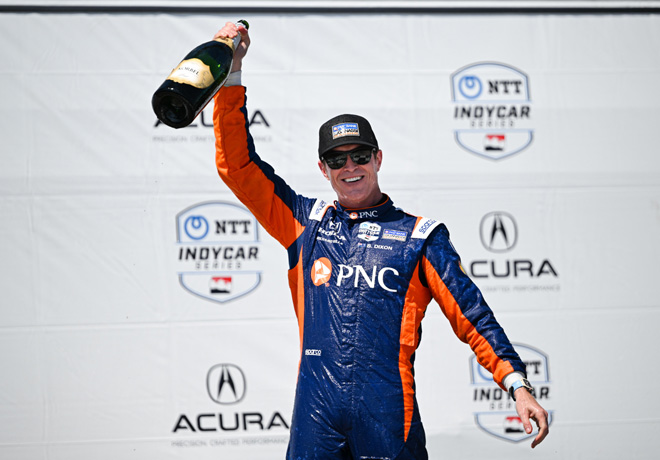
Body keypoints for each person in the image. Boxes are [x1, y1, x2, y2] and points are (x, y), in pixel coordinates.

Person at [211, 21, 549, 460]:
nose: (350, 167)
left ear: (378, 159)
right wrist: (231, 73)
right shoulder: (304, 223)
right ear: (323, 169)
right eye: (337, 160)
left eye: (359, 155)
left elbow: (473, 316)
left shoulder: (420, 237)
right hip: (316, 417)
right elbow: (238, 167)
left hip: (388, 418)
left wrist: (517, 384)